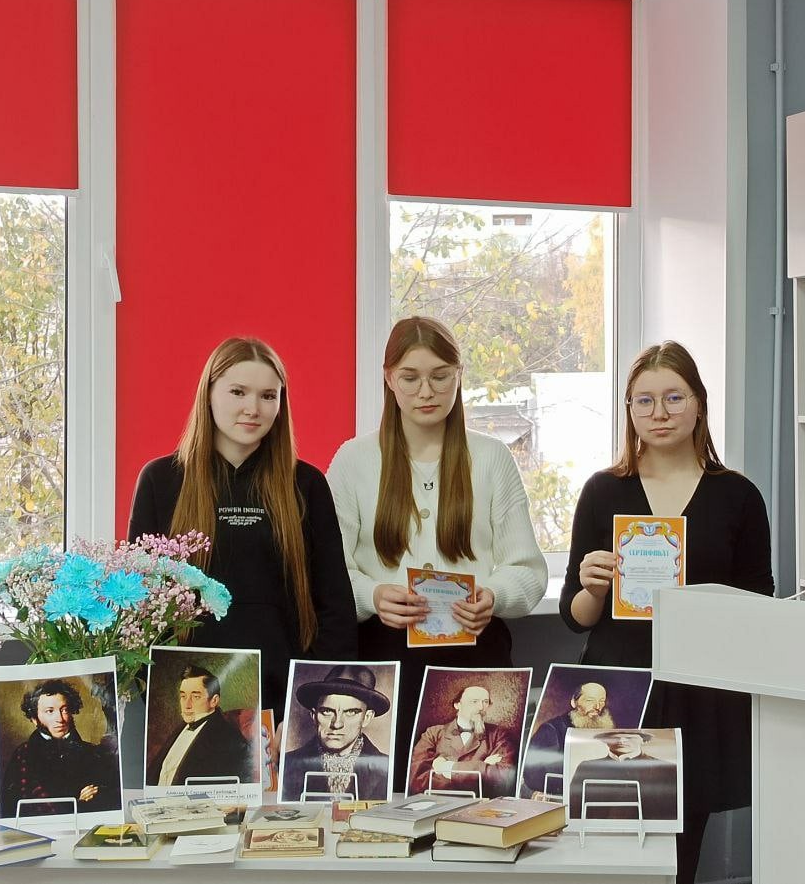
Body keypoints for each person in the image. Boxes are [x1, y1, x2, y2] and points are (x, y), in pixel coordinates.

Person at [559, 340, 773, 884]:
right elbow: (576, 616)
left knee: (680, 855)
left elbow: (761, 604)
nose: (659, 413)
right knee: (604, 846)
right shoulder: (602, 490)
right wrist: (593, 586)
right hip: (618, 691)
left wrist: (712, 606)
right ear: (629, 410)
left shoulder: (738, 496)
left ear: (699, 403)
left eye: (674, 398)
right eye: (644, 401)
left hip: (700, 688)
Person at [327, 316, 547, 783]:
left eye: (440, 376)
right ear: (389, 379)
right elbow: (327, 573)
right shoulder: (353, 460)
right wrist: (372, 596)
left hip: (475, 656)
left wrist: (493, 596)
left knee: (477, 801)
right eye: (410, 377)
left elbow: (529, 572)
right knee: (386, 796)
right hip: (384, 657)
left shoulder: (492, 458)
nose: (426, 391)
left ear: (459, 375)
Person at [128, 337, 358, 715]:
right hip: (187, 701)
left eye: (268, 396)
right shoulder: (160, 480)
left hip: (285, 705)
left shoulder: (307, 485)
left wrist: (309, 711)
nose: (253, 408)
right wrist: (161, 707)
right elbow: (138, 606)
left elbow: (335, 609)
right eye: (238, 392)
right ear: (209, 393)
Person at [0, 679, 121, 817]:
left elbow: (110, 801)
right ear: (34, 718)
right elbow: (24, 807)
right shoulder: (24, 754)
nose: (60, 719)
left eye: (64, 710)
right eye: (50, 711)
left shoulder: (91, 752)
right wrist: (78, 804)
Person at [281, 665, 392, 801]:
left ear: (367, 718)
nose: (337, 724)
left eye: (351, 712)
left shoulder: (387, 767)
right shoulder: (288, 764)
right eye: (327, 711)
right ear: (314, 715)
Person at [151, 665, 255, 787]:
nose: (187, 705)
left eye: (195, 697)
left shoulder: (229, 739)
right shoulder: (180, 729)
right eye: (183, 696)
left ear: (214, 701)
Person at [406, 685, 516, 797]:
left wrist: (448, 768)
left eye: (485, 702)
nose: (480, 707)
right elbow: (417, 780)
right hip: (441, 802)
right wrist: (483, 768)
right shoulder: (433, 734)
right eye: (474, 701)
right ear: (457, 704)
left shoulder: (498, 734)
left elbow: (503, 778)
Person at [521, 681, 613, 798]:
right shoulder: (551, 729)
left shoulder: (603, 729)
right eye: (590, 700)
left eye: (601, 701)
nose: (597, 707)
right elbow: (533, 775)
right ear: (574, 702)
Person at [567, 729, 678, 821]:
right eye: (615, 737)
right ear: (605, 740)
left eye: (629, 737)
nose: (621, 740)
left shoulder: (667, 768)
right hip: (596, 832)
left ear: (643, 740)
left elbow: (671, 809)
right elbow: (574, 804)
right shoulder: (588, 767)